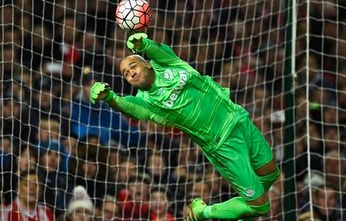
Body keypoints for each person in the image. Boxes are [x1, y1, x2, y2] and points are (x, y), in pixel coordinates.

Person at [90, 32, 280, 221]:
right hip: (223, 143)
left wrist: (144, 44)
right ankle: (202, 212)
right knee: (260, 205)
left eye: (133, 66)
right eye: (126, 74)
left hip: (239, 118)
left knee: (271, 174)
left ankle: (239, 215)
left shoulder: (169, 63)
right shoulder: (147, 103)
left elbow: (157, 51)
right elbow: (129, 107)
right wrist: (110, 98)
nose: (130, 72)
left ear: (147, 63)